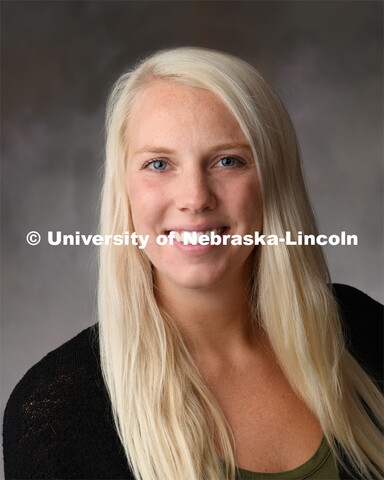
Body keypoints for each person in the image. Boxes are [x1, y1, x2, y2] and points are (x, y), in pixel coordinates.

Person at [3, 47, 383, 480]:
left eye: (228, 161)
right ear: (123, 191)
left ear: (275, 181)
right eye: (159, 164)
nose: (195, 198)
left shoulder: (364, 330)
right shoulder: (56, 413)